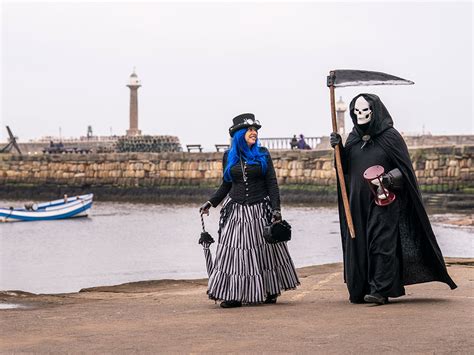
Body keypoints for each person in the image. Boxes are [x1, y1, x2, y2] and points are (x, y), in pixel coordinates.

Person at [330, 93, 456, 305]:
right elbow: (344, 170)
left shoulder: (390, 137)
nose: (361, 115)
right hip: (357, 203)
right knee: (359, 244)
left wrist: (389, 179)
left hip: (383, 201)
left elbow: (405, 171)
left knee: (381, 243)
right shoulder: (352, 139)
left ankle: (380, 290)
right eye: (357, 111)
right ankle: (360, 287)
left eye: (365, 111)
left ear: (375, 111)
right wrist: (338, 150)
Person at [199, 113, 300, 308]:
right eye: (250, 129)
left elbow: (272, 183)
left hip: (260, 209)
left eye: (255, 130)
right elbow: (226, 184)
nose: (254, 132)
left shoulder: (262, 153)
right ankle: (233, 294)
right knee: (234, 253)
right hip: (236, 210)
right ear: (239, 134)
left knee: (265, 251)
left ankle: (270, 289)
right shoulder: (228, 156)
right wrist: (211, 203)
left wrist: (276, 210)